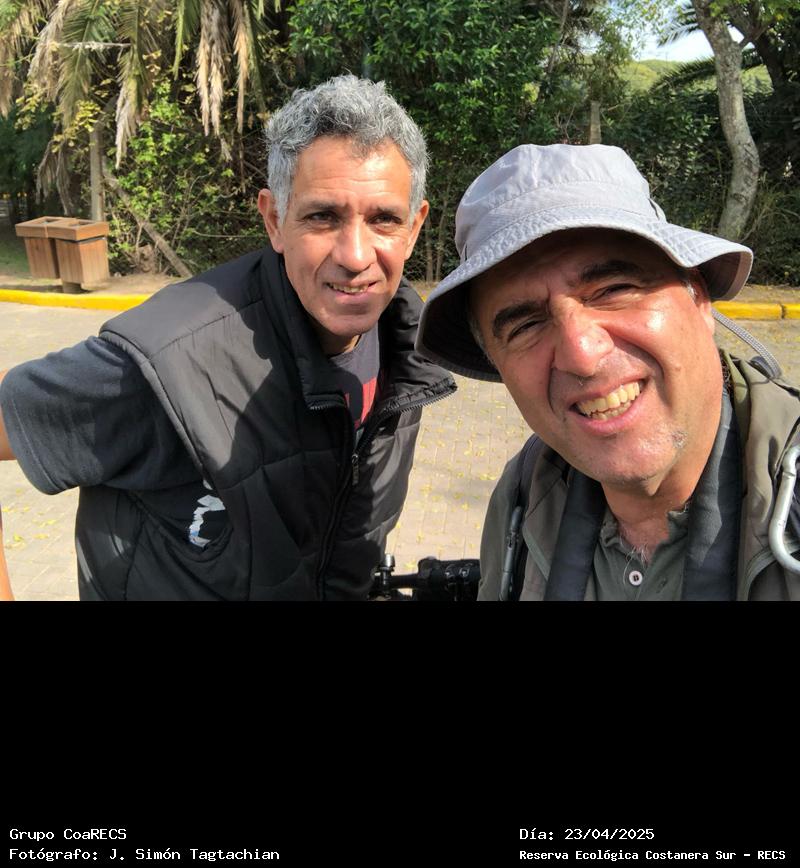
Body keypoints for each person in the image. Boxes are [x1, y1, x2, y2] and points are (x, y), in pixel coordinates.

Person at [0, 75, 456, 601]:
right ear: (274, 220)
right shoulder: (168, 361)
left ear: (414, 228)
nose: (355, 256)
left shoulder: (411, 354)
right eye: (322, 217)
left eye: (384, 219)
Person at [416, 143, 800, 601]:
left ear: (698, 296)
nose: (581, 354)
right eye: (525, 325)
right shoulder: (525, 494)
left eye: (614, 289)